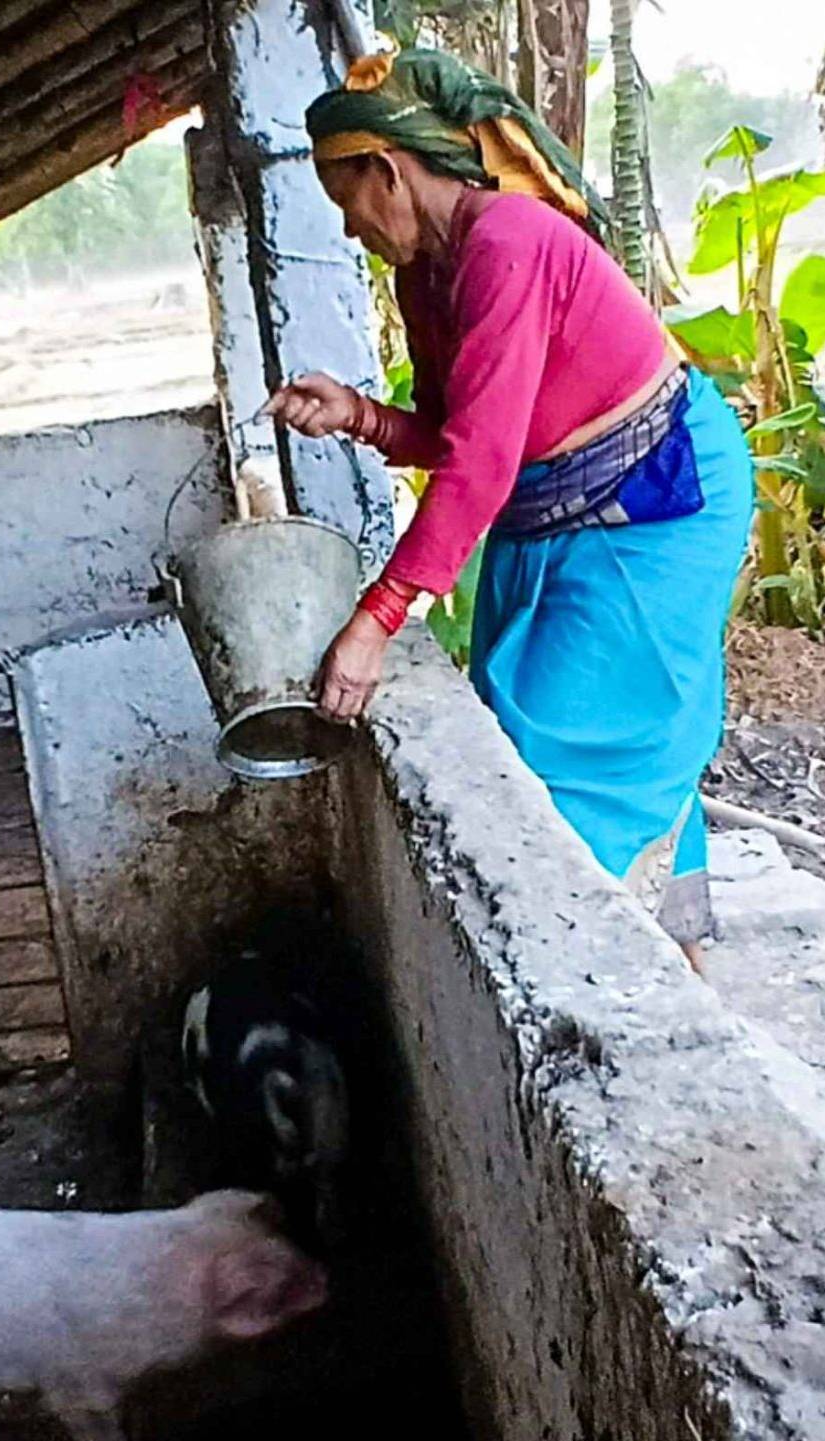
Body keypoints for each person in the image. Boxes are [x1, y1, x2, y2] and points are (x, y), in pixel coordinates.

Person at [264, 46, 753, 971]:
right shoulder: (426, 274)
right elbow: (459, 437)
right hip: (553, 512)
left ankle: (622, 982)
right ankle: (675, 979)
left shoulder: (507, 244)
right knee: (538, 732)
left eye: (347, 202)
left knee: (571, 756)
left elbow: (480, 465)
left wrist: (376, 619)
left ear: (387, 171)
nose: (349, 230)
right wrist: (361, 417)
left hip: (654, 507)